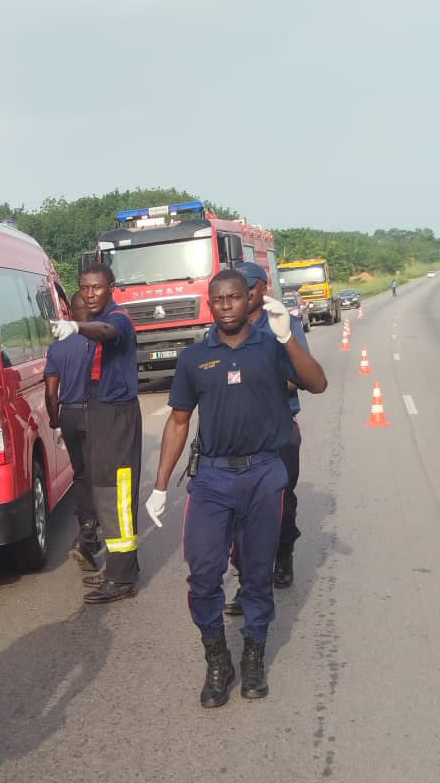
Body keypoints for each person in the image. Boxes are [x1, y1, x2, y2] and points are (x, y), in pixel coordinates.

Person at [145, 270, 327, 707]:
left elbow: (317, 383)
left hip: (263, 473)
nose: (226, 305)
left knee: (257, 573)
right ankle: (218, 658)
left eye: (234, 297)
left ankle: (253, 655)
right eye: (218, 299)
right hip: (212, 478)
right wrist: (160, 485)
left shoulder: (271, 346)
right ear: (209, 304)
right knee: (203, 574)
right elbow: (179, 421)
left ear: (250, 300)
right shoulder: (194, 358)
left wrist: (287, 337)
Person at [51, 264, 141, 603]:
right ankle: (121, 567)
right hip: (99, 411)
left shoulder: (117, 319)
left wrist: (76, 326)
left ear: (111, 287)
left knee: (117, 494)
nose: (89, 294)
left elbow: (106, 331)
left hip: (116, 414)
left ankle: (122, 578)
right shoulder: (97, 320)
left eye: (97, 288)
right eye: (84, 288)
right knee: (103, 492)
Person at [225, 262, 309, 604]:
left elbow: (302, 375)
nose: (244, 294)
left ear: (263, 287)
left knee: (281, 501)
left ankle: (284, 551)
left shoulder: (282, 322)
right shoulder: (227, 326)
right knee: (241, 508)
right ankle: (247, 581)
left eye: (249, 287)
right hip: (239, 433)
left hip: (278, 428)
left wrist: (260, 381)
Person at [44, 292, 99, 571]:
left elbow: (51, 393)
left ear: (70, 314)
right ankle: (88, 534)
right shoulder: (96, 341)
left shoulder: (57, 347)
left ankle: (87, 529)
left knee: (80, 474)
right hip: (94, 413)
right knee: (98, 475)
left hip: (68, 415)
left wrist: (55, 423)